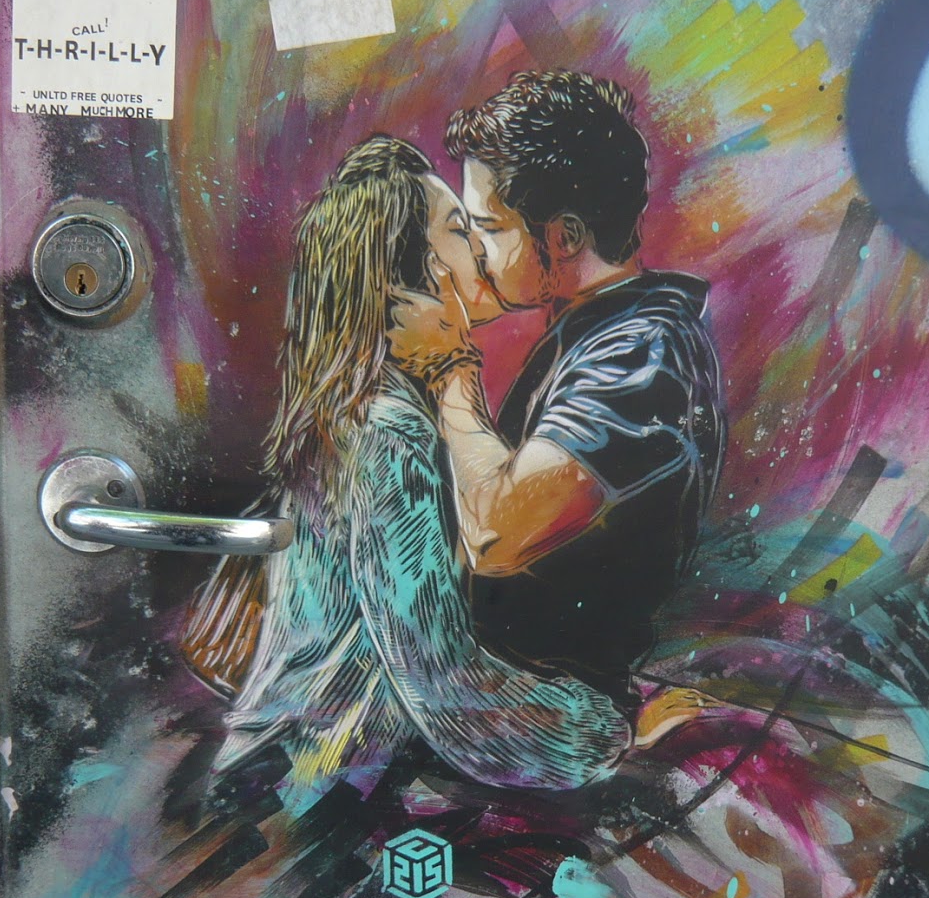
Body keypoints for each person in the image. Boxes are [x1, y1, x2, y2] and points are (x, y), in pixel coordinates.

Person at [182, 135, 631, 809]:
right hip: (306, 797)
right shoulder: (388, 431)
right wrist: (607, 731)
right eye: (461, 232)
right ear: (408, 277)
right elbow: (440, 680)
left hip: (315, 779)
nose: (483, 250)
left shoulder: (364, 406)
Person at [389, 71, 727, 721]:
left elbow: (496, 534)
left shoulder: (640, 353)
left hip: (554, 716)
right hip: (517, 697)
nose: (476, 251)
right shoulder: (595, 331)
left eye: (488, 228)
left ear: (565, 237)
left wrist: (450, 365)